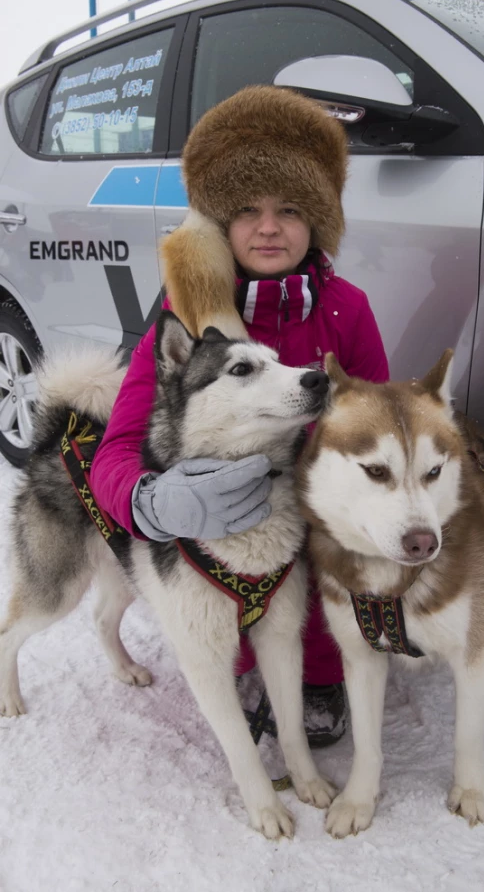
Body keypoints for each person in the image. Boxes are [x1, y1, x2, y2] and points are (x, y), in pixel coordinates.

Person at [90, 85, 389, 747]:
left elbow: (379, 422)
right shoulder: (187, 320)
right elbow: (113, 453)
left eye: (289, 208)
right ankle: (247, 657)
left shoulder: (348, 310)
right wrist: (150, 500)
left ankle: (318, 669)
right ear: (220, 224)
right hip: (230, 543)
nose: (269, 226)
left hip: (319, 520)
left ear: (317, 218)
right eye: (247, 209)